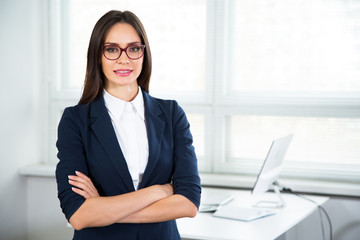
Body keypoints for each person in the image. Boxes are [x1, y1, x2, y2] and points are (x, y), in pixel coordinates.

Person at [55, 10, 201, 240]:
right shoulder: (75, 120)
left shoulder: (172, 114)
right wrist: (159, 191)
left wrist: (102, 208)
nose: (124, 59)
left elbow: (189, 203)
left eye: (133, 48)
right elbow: (79, 215)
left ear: (144, 54)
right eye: (112, 49)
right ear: (97, 56)